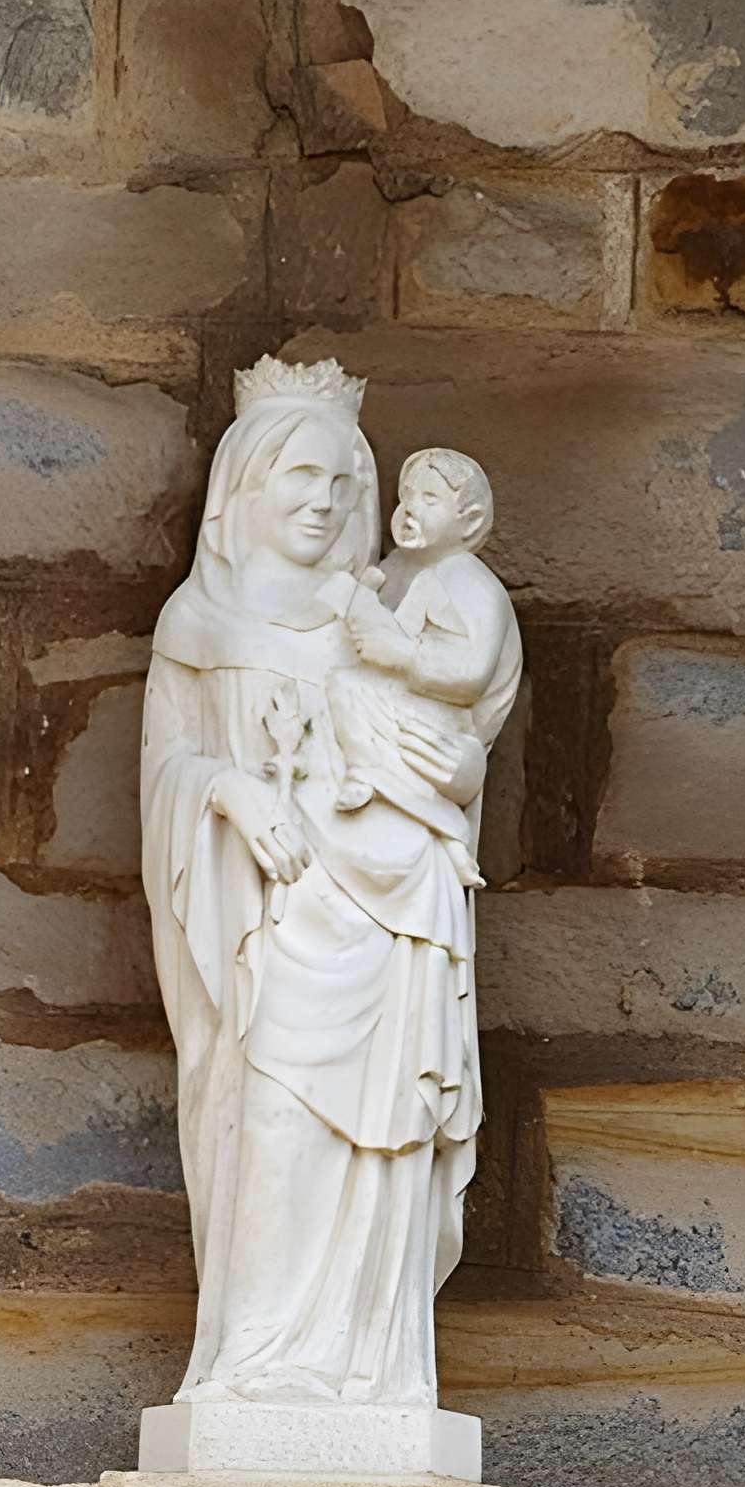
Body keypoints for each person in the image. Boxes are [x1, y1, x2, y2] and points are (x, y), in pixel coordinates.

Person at [140, 357, 520, 1409]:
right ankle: (258, 1358)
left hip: (389, 915)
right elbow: (165, 774)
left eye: (344, 481)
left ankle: (366, 1365)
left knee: (382, 1134)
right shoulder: (196, 625)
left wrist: (462, 769)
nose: (325, 500)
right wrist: (228, 792)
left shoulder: (381, 613)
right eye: (301, 476)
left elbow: (447, 739)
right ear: (245, 487)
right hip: (267, 922)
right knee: (269, 1120)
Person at [321, 446, 519, 892]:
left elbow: (470, 672)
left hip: (435, 732)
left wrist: (401, 654)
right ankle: (368, 775)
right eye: (405, 496)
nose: (410, 508)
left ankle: (445, 830)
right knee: (344, 688)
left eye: (429, 499)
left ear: (469, 521)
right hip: (381, 717)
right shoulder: (395, 569)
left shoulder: (469, 581)